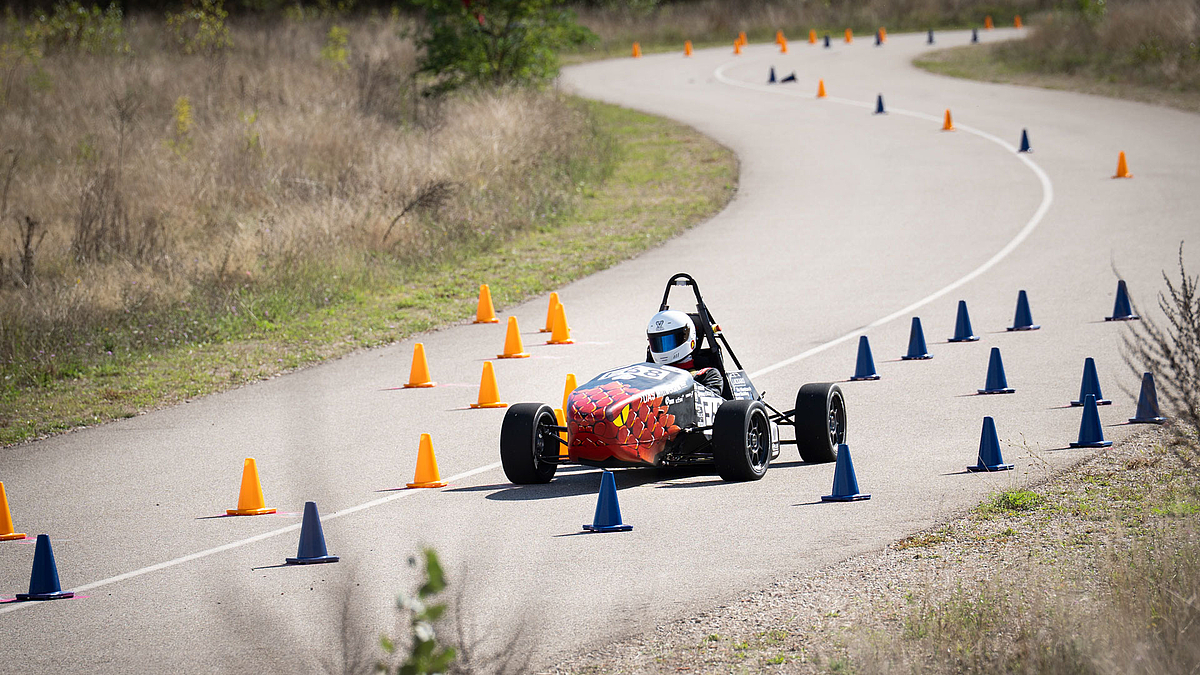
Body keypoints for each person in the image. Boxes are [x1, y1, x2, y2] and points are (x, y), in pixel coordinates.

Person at [646, 310, 725, 395]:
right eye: (657, 343)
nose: (663, 348)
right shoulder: (645, 375)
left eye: (669, 342)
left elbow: (710, 403)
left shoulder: (706, 375)